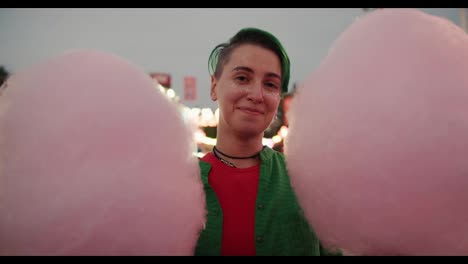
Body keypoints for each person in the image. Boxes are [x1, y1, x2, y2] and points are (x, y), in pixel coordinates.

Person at [194, 27, 341, 256]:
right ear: (214, 86)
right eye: (242, 78)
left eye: (270, 85)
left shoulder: (306, 184)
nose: (256, 94)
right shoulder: (181, 187)